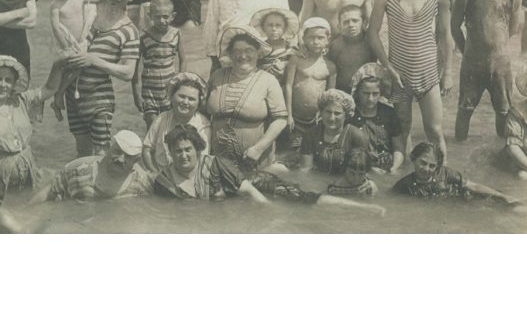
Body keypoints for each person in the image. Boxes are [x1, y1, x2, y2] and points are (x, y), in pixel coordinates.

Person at [154, 124, 385, 213]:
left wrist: (271, 213)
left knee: (304, 199)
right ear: (171, 153)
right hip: (232, 200)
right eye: (177, 151)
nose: (183, 155)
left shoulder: (214, 164)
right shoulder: (165, 182)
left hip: (257, 183)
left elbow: (249, 192)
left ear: (197, 149)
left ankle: (366, 209)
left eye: (187, 149)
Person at [368, 0, 452, 157]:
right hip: (399, 74)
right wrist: (388, 67)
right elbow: (372, 33)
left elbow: (445, 35)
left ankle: (443, 176)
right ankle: (399, 180)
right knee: (402, 130)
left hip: (429, 73)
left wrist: (448, 72)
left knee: (434, 131)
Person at [63, 0, 140, 157]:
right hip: (73, 93)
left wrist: (95, 60)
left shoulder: (129, 31)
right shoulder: (92, 13)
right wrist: (58, 91)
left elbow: (128, 72)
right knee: (81, 151)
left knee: (100, 152)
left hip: (100, 98)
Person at [451, 0, 522, 142]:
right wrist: (466, 51)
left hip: (501, 64)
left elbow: (514, 27)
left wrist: (497, 48)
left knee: (503, 111)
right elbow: (454, 26)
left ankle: (502, 150)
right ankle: (459, 149)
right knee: (465, 108)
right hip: (472, 63)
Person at [0, 55, 63, 189]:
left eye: (8, 80)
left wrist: (58, 65)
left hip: (29, 173)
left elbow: (49, 89)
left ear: (14, 84)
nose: (3, 85)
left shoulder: (21, 100)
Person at [206, 26, 288, 171]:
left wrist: (258, 149)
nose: (243, 56)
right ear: (230, 54)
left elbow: (280, 120)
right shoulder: (217, 76)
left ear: (258, 53)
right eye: (237, 51)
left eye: (248, 50)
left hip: (255, 159)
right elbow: (202, 113)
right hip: (219, 159)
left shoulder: (268, 80)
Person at [46, 0, 101, 121]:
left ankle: (58, 95)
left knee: (75, 69)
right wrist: (66, 47)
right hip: (65, 42)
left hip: (80, 42)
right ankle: (58, 96)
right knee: (69, 69)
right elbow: (56, 28)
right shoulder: (55, 5)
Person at [36, 130, 154, 201]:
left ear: (136, 160)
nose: (121, 159)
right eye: (117, 151)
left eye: (128, 156)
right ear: (108, 148)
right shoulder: (78, 171)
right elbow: (48, 193)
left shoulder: (141, 184)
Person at [392, 142, 519, 204]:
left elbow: (473, 186)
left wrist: (502, 196)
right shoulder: (404, 185)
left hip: (465, 199)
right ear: (413, 159)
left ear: (438, 167)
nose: (426, 169)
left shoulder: (446, 174)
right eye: (423, 163)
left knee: (509, 204)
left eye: (432, 166)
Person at [132, 0, 185, 128]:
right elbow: (135, 67)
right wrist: (136, 94)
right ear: (150, 16)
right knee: (153, 129)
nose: (162, 21)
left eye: (165, 17)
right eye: (157, 17)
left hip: (170, 90)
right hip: (149, 94)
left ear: (173, 16)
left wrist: (181, 82)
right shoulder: (144, 37)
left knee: (170, 128)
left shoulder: (176, 34)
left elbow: (183, 59)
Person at [142, 72, 210, 173]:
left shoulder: (203, 124)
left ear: (198, 103)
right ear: (172, 96)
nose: (185, 102)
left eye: (191, 99)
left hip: (190, 178)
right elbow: (147, 149)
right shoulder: (162, 118)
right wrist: (154, 173)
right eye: (181, 96)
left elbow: (203, 160)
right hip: (161, 175)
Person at [285, 17, 336, 139]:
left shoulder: (330, 66)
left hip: (316, 119)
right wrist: (288, 115)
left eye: (320, 38)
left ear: (327, 40)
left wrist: (324, 115)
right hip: (295, 118)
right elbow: (288, 86)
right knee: (294, 149)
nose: (316, 41)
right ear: (303, 38)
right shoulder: (296, 60)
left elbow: (330, 95)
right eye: (311, 37)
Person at [349, 63, 404, 174]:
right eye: (365, 93)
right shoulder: (350, 115)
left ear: (381, 93)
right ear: (358, 92)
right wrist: (368, 169)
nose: (370, 98)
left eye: (375, 94)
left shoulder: (389, 113)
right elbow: (346, 151)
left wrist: (394, 168)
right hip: (360, 168)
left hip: (387, 167)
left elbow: (399, 148)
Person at [328, 4, 375, 94]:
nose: (351, 25)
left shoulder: (371, 43)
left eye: (355, 21)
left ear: (364, 23)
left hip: (366, 94)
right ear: (339, 27)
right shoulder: (336, 45)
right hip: (342, 93)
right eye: (346, 22)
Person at [250, 7, 299, 87]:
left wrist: (285, 64)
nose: (274, 29)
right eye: (270, 25)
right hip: (262, 86)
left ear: (285, 28)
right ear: (263, 27)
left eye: (278, 25)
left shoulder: (290, 48)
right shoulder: (259, 48)